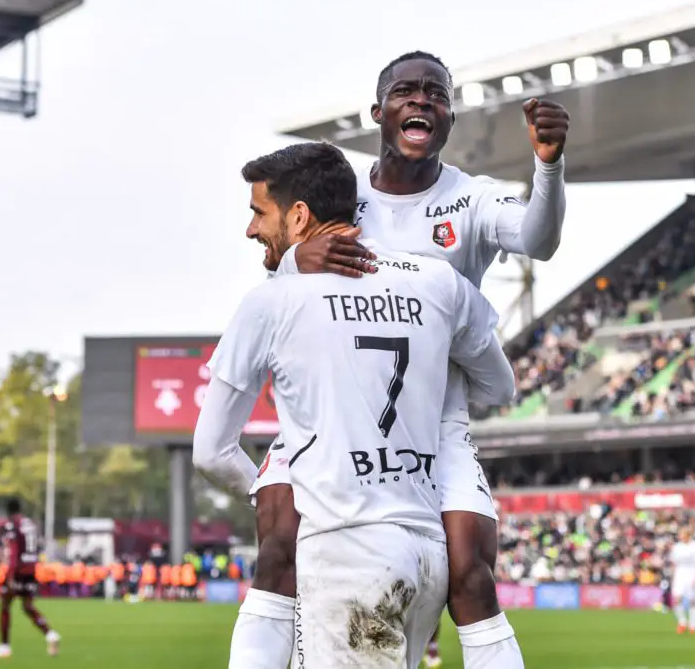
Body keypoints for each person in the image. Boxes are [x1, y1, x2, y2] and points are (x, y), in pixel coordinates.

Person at [227, 50, 568, 669]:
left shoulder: (472, 200)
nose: (421, 100)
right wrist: (295, 259)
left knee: (470, 573)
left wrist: (548, 165)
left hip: (436, 422)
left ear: (449, 118)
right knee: (278, 544)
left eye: (436, 93)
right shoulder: (343, 195)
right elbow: (281, 259)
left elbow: (537, 241)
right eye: (405, 91)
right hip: (335, 414)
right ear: (377, 112)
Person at [192, 141, 516, 667]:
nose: (251, 229)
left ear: (299, 216)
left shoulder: (273, 300)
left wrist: (282, 496)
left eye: (259, 212)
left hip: (347, 553)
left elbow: (211, 452)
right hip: (425, 556)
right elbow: (500, 387)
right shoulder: (438, 281)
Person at [0, 498, 61, 659]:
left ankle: (4, 646)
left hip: (19, 569)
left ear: (8, 511)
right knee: (27, 606)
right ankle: (51, 635)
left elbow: (14, 551)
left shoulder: (13, 525)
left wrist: (11, 575)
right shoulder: (30, 524)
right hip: (31, 568)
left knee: (5, 605)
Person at [668, 527, 695, 635]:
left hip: (692, 573)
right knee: (677, 598)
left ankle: (693, 625)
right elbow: (674, 563)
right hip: (680, 574)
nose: (680, 536)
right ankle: (682, 622)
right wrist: (673, 576)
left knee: (693, 600)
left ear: (688, 535)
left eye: (682, 534)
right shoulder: (677, 547)